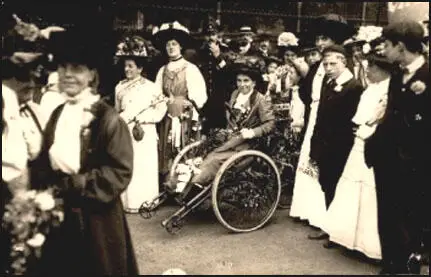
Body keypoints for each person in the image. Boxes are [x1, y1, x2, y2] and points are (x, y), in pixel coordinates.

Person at [29, 27, 138, 275]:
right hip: (60, 216)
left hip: (97, 222)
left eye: (76, 69)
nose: (67, 75)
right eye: (63, 67)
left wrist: (78, 184)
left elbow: (119, 172)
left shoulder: (108, 119)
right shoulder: (57, 114)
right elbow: (46, 159)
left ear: (92, 75)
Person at [365, 20, 430, 274]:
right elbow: (390, 116)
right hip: (387, 162)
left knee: (409, 225)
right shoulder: (396, 76)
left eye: (387, 45)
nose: (383, 50)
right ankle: (390, 267)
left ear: (400, 47)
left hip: (415, 167)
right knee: (387, 221)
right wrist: (373, 145)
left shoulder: (427, 77)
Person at [323, 46, 395, 257]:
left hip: (374, 142)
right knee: (351, 188)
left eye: (370, 67)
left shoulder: (389, 90)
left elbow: (381, 119)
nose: (367, 72)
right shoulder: (371, 89)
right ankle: (345, 237)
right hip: (360, 142)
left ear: (382, 68)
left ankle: (369, 245)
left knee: (371, 193)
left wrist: (367, 127)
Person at [170, 57, 275, 198]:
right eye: (239, 81)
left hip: (246, 144)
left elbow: (270, 123)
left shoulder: (261, 100)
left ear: (254, 83)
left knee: (214, 159)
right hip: (229, 139)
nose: (242, 85)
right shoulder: (234, 95)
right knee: (200, 153)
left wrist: (252, 132)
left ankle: (195, 185)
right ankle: (178, 184)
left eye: (246, 81)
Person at [289, 14, 353, 234]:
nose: (319, 43)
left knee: (323, 161)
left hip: (329, 115)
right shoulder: (318, 65)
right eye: (318, 39)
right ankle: (306, 209)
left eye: (324, 39)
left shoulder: (342, 65)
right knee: (310, 156)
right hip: (315, 112)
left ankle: (322, 214)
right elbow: (308, 93)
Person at [309, 44, 363, 247]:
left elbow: (353, 120)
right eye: (325, 64)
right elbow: (320, 116)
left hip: (342, 146)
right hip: (324, 143)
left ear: (343, 62)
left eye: (333, 63)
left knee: (339, 187)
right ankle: (329, 225)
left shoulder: (354, 86)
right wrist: (315, 145)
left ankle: (338, 232)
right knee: (326, 184)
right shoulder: (327, 82)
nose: (329, 67)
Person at [153, 21, 208, 184]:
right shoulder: (162, 70)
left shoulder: (190, 68)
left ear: (180, 47)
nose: (171, 47)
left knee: (184, 148)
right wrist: (162, 101)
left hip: (185, 116)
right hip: (166, 116)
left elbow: (200, 96)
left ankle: (184, 185)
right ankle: (168, 183)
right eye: (168, 45)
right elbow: (156, 94)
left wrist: (188, 104)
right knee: (167, 148)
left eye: (174, 44)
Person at [115, 55, 167, 213]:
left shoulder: (151, 87)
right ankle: (128, 203)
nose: (127, 69)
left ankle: (146, 202)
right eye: (125, 66)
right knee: (128, 163)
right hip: (126, 130)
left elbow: (161, 108)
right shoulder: (119, 87)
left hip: (145, 131)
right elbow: (117, 110)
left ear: (140, 68)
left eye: (131, 66)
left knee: (144, 166)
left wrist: (146, 119)